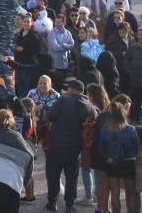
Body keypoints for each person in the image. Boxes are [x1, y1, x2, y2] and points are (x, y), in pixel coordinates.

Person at [45, 77, 97, 213]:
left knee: (53, 174)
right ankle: (69, 204)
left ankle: (52, 202)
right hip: (75, 147)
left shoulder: (63, 99)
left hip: (57, 144)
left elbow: (50, 116)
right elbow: (94, 120)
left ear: (72, 89)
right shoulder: (89, 105)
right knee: (71, 176)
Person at [97, 98, 140, 213]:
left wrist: (108, 158)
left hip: (112, 162)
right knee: (131, 193)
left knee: (115, 192)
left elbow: (101, 146)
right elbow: (135, 149)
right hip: (128, 163)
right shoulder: (131, 130)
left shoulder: (105, 129)